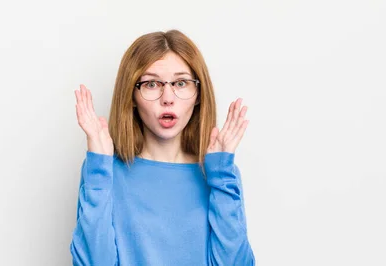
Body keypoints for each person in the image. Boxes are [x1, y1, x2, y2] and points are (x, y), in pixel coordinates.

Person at [70, 29, 255, 266]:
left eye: (181, 82)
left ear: (198, 94)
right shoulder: (105, 170)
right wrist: (98, 168)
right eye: (151, 84)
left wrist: (221, 173)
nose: (167, 97)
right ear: (131, 96)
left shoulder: (218, 174)